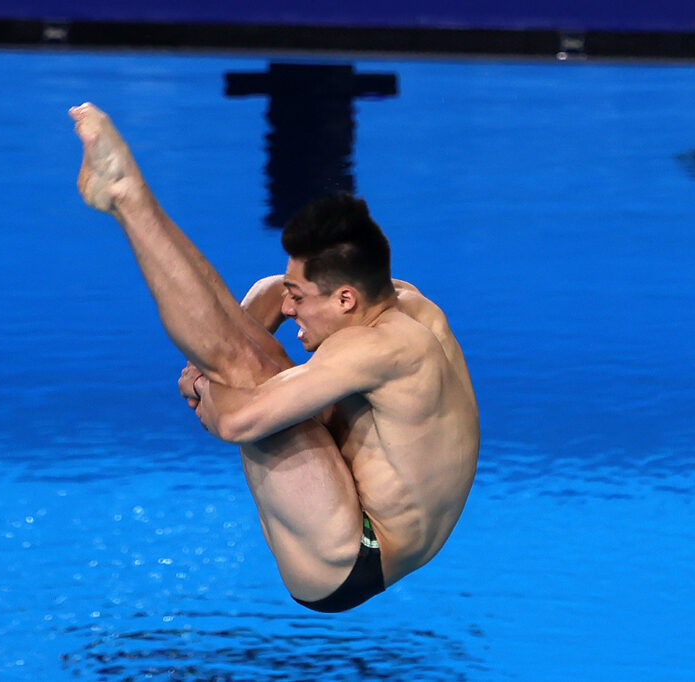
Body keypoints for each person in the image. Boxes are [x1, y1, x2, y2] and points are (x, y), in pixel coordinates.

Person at [70, 102, 479, 612]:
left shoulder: (378, 347)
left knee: (247, 371)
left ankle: (126, 196)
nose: (289, 307)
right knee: (246, 354)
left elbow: (239, 422)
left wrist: (205, 382)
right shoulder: (407, 303)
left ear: (345, 298)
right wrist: (225, 343)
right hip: (392, 527)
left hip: (351, 557)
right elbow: (269, 291)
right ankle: (122, 193)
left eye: (299, 297)